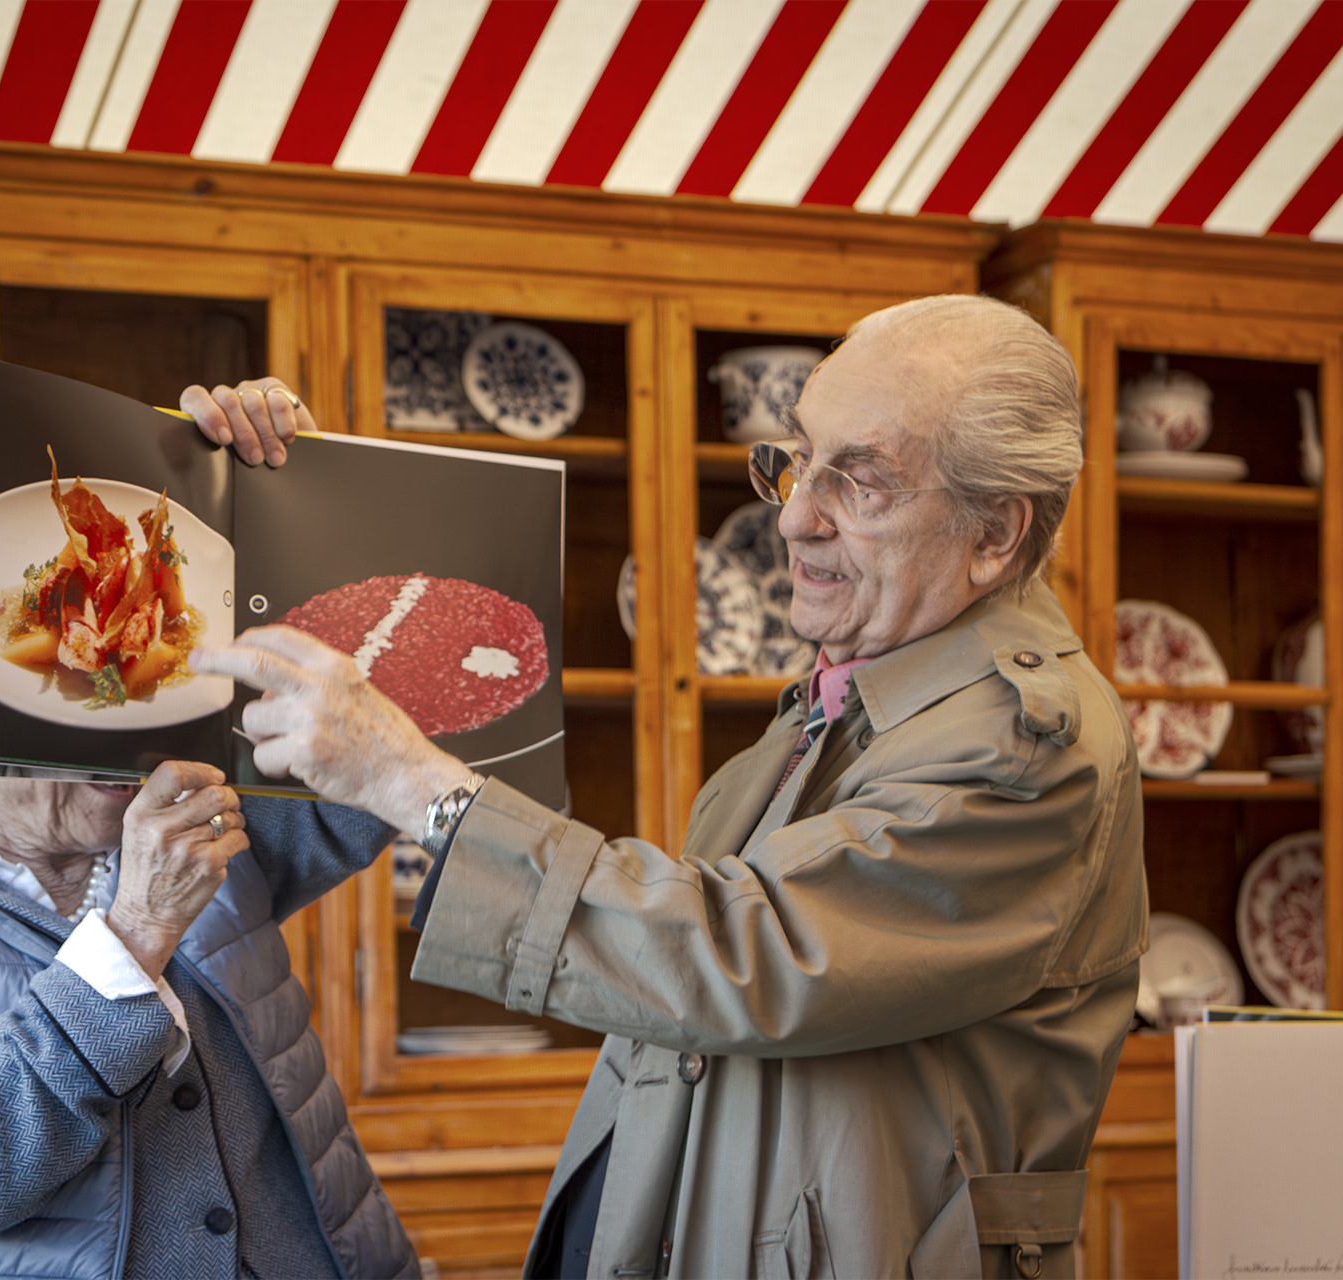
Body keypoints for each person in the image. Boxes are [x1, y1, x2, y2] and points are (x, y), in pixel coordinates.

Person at [192, 295, 1148, 1279]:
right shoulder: (842, 699)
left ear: (995, 533)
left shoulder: (1024, 743)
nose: (795, 515)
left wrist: (418, 784)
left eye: (860, 483)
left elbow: (744, 953)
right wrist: (301, 514)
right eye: (797, 459)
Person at [0, 379, 420, 1280]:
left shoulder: (198, 811)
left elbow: (376, 765)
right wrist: (136, 934)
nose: (136, 750)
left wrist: (300, 513)